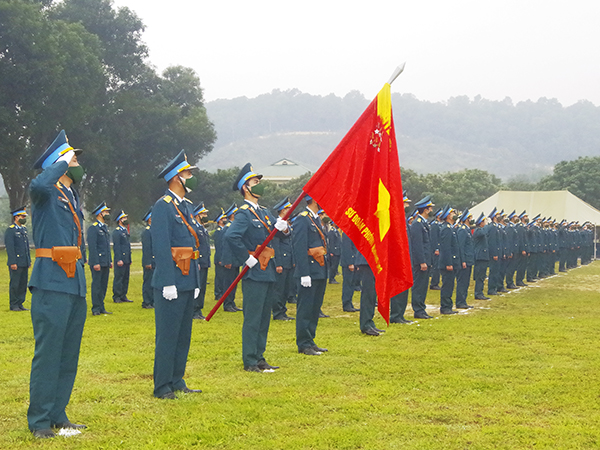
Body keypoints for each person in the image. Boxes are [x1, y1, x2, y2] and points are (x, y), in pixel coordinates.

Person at [27, 130, 87, 438]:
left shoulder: (70, 195)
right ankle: (39, 421)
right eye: (70, 158)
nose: (75, 163)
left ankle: (58, 413)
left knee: (67, 352)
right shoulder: (46, 191)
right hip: (51, 280)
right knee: (49, 352)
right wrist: (60, 164)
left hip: (73, 281)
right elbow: (37, 183)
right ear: (56, 163)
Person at [223, 163, 288, 372]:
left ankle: (260, 357)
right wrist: (246, 257)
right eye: (255, 182)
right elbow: (231, 236)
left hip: (268, 268)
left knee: (263, 317)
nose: (259, 185)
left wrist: (283, 230)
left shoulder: (265, 212)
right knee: (253, 318)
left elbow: (275, 235)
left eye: (259, 182)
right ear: (245, 188)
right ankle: (250, 360)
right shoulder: (244, 213)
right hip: (254, 270)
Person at [151, 149, 202, 399]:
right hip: (170, 281)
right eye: (187, 173)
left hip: (187, 277)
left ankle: (177, 379)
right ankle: (162, 386)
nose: (191, 177)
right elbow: (161, 246)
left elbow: (192, 246)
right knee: (168, 335)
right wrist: (168, 282)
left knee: (183, 334)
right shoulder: (163, 207)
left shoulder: (187, 206)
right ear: (175, 178)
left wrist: (195, 280)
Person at [293, 195, 328, 355]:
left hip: (319, 270)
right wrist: (304, 273)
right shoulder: (303, 219)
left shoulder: (315, 219)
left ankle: (310, 340)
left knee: (314, 308)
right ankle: (303, 343)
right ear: (314, 200)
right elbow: (299, 247)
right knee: (305, 308)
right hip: (309, 271)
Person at [389, 190, 413, 324]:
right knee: (398, 286)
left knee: (404, 286)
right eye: (405, 203)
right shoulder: (394, 217)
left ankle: (400, 314)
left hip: (404, 257)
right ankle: (395, 315)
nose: (407, 206)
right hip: (397, 258)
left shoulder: (401, 217)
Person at [410, 195, 434, 319]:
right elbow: (417, 245)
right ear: (425, 209)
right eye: (430, 208)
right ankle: (418, 310)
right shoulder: (417, 224)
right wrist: (422, 261)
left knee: (423, 286)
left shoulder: (424, 223)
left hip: (426, 259)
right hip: (421, 261)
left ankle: (421, 308)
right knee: (419, 285)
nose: (431, 211)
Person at [271, 197, 295, 321]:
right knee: (279, 289)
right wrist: (278, 263)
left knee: (286, 288)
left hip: (288, 261)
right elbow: (276, 245)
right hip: (282, 261)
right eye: (288, 208)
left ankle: (283, 311)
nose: (290, 210)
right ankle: (277, 312)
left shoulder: (286, 224)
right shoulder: (277, 224)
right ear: (283, 210)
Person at [87, 202, 113, 315]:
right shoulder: (94, 228)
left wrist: (109, 260)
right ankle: (96, 308)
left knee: (103, 285)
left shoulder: (105, 228)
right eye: (106, 212)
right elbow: (93, 247)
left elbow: (107, 246)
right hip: (97, 261)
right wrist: (96, 262)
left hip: (105, 261)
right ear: (100, 214)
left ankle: (101, 306)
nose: (108, 214)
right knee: (97, 285)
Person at [5, 206, 31, 311]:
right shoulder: (11, 230)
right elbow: (10, 248)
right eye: (22, 216)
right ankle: (14, 304)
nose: (24, 218)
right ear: (16, 217)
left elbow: (26, 247)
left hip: (24, 261)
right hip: (16, 262)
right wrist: (12, 262)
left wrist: (28, 260)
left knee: (23, 283)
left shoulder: (24, 229)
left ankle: (20, 302)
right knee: (15, 283)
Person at [355, 248, 386, 336]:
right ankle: (365, 325)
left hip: (374, 260)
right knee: (368, 293)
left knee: (372, 294)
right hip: (367, 261)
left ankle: (369, 322)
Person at [438, 206, 460, 314]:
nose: (454, 215)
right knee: (447, 285)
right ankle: (445, 307)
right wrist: (449, 263)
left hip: (452, 261)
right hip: (447, 262)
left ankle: (448, 306)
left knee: (450, 284)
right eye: (452, 213)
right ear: (447, 216)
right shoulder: (446, 228)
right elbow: (446, 247)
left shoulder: (450, 227)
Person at [221, 203, 242, 312]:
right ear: (232, 215)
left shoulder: (233, 226)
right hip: (230, 260)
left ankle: (231, 302)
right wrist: (227, 260)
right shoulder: (228, 228)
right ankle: (227, 304)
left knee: (234, 282)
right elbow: (226, 246)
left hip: (235, 260)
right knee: (228, 283)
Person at [192, 203, 211, 319]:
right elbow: (195, 245)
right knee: (197, 287)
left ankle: (199, 309)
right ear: (198, 215)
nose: (205, 216)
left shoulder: (202, 228)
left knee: (202, 286)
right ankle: (194, 310)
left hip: (204, 261)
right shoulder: (195, 228)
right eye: (203, 214)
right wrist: (197, 261)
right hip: (199, 261)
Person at [455, 209, 474, 309]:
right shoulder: (462, 230)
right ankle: (460, 301)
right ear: (466, 219)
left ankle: (463, 301)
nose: (472, 219)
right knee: (462, 282)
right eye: (470, 218)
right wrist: (462, 260)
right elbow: (461, 247)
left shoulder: (466, 229)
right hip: (465, 260)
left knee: (466, 282)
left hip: (468, 259)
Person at [112, 210, 132, 303]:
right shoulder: (117, 232)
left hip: (126, 258)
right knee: (119, 278)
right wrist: (119, 259)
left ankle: (123, 295)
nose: (126, 219)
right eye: (124, 218)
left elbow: (127, 246)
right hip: (121, 258)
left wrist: (129, 258)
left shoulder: (125, 231)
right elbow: (117, 246)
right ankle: (117, 296)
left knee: (125, 277)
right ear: (120, 220)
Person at [472, 213, 490, 300]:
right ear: (481, 223)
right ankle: (478, 293)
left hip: (483, 256)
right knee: (480, 276)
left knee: (482, 276)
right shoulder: (478, 231)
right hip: (480, 256)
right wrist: (486, 226)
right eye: (484, 221)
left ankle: (480, 292)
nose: (486, 223)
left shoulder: (481, 230)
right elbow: (484, 232)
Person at [340, 232, 359, 312]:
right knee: (348, 283)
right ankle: (346, 304)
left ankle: (350, 303)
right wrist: (350, 263)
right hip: (348, 263)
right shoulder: (347, 232)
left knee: (352, 284)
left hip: (354, 261)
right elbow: (347, 248)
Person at [141, 208, 155, 309]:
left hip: (155, 261)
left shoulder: (155, 230)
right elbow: (147, 248)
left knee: (154, 282)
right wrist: (148, 261)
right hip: (150, 261)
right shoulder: (147, 232)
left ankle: (153, 300)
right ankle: (147, 301)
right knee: (148, 282)